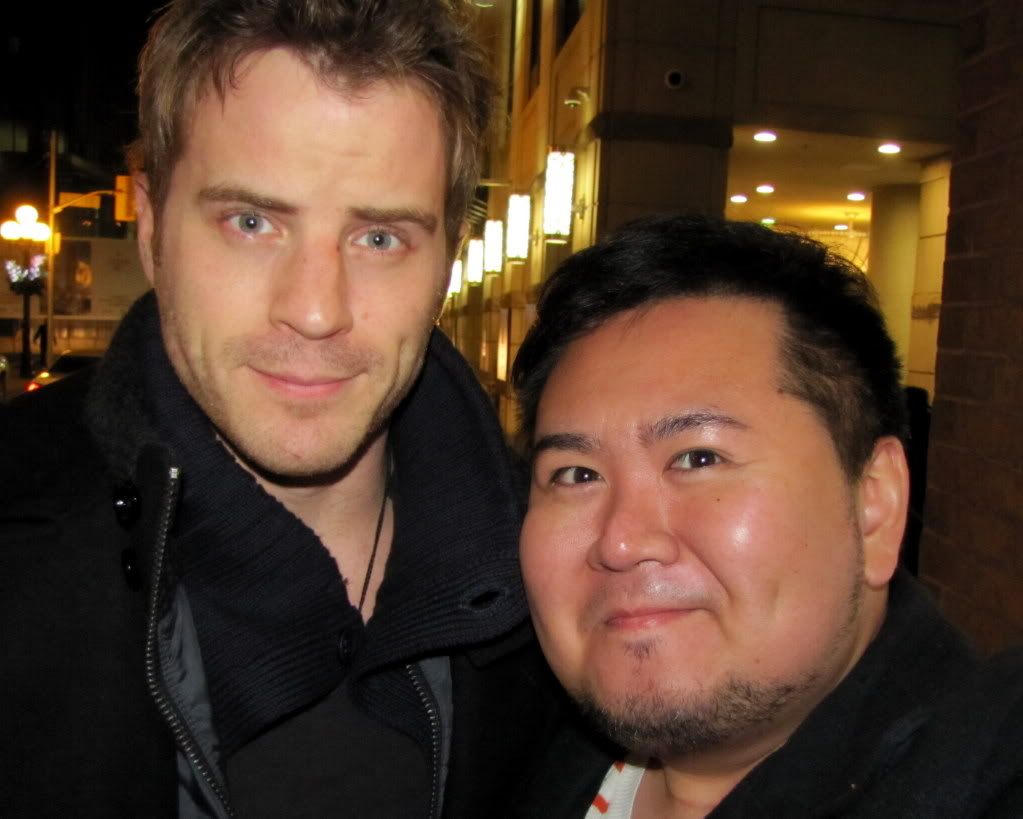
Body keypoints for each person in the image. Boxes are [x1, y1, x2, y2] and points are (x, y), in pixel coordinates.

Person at [0, 2, 557, 816]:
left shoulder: (568, 582)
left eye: (379, 238)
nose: (315, 309)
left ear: (446, 258)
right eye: (251, 222)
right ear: (151, 225)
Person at [509, 215, 1023, 818]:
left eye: (699, 458)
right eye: (575, 474)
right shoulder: (503, 756)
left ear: (874, 505)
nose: (620, 542)